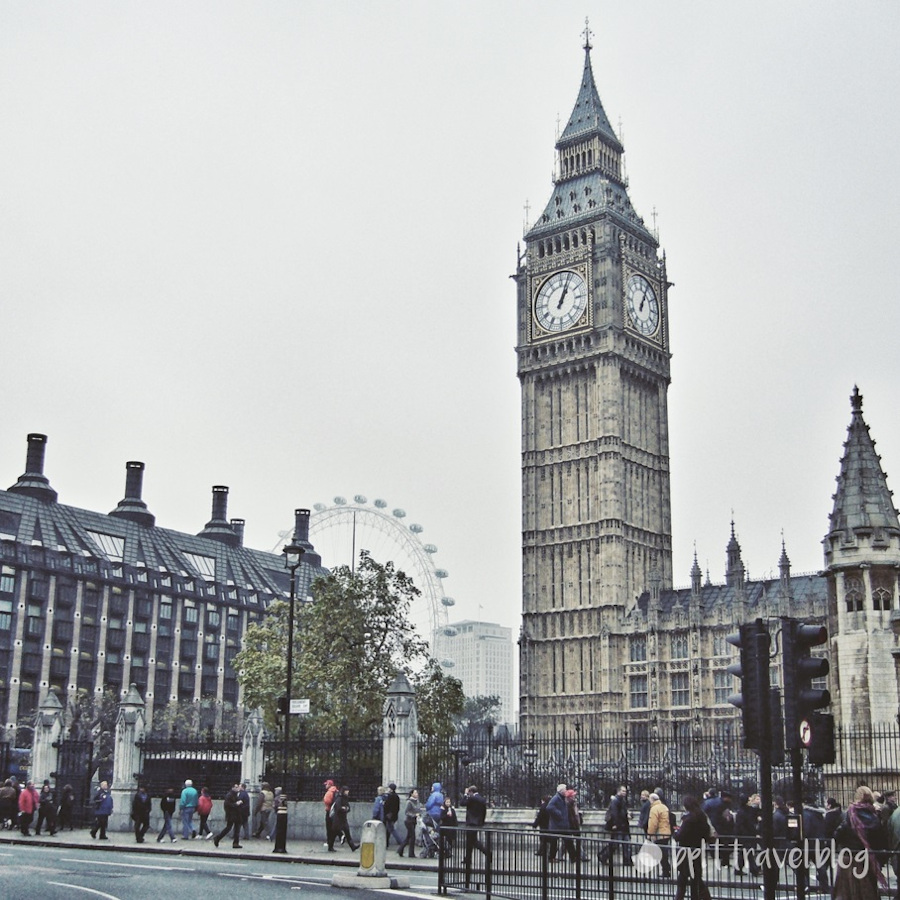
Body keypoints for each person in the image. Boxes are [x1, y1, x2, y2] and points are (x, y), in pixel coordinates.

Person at [833, 786, 888, 900]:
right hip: (866, 859)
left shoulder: (847, 814)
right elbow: (880, 841)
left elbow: (837, 835)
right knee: (867, 893)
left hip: (847, 859)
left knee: (846, 894)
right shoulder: (874, 816)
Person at [674, 795, 713, 900]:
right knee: (695, 879)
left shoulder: (688, 820)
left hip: (685, 851)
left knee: (682, 879)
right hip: (697, 850)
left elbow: (679, 836)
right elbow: (706, 834)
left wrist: (675, 832)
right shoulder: (702, 816)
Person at [463, 784, 490, 887]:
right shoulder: (482, 799)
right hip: (477, 823)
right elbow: (484, 812)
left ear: (470, 791)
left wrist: (465, 795)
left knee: (472, 841)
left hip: (470, 823)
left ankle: (485, 852)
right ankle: (467, 858)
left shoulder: (471, 798)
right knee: (471, 841)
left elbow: (462, 803)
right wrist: (481, 822)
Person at [733, 793, 761, 877]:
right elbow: (750, 823)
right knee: (748, 852)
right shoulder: (748, 811)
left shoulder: (740, 811)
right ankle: (754, 870)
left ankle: (738, 869)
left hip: (742, 834)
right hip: (748, 834)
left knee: (743, 852)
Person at [647, 792, 673, 877]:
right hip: (666, 832)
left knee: (661, 853)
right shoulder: (664, 807)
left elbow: (653, 823)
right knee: (664, 852)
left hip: (659, 833)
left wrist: (650, 834)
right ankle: (667, 868)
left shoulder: (654, 809)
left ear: (652, 800)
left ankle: (666, 870)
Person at [605, 785, 633, 865]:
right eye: (623, 791)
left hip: (624, 826)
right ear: (618, 791)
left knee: (626, 844)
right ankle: (603, 856)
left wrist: (628, 814)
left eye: (625, 791)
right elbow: (614, 813)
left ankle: (627, 860)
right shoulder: (616, 801)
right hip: (619, 826)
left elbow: (623, 812)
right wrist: (615, 824)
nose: (625, 793)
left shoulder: (622, 800)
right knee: (615, 844)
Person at [214, 783, 245, 849]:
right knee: (228, 828)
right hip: (232, 815)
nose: (238, 788)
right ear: (232, 788)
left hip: (237, 814)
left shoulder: (235, 795)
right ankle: (218, 838)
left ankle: (236, 843)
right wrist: (236, 804)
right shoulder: (229, 795)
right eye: (236, 787)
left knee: (237, 829)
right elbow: (227, 805)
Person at [329, 786, 359, 851]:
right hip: (337, 819)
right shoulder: (339, 798)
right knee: (334, 833)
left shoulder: (345, 798)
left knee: (347, 832)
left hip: (343, 819)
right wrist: (344, 809)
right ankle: (330, 846)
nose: (348, 792)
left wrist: (345, 809)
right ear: (343, 791)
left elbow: (348, 807)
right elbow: (338, 808)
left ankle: (352, 846)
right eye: (346, 791)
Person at [398, 788, 421, 857]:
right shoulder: (409, 802)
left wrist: (419, 814)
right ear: (412, 794)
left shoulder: (417, 801)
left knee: (408, 837)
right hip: (409, 821)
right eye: (415, 793)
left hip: (414, 821)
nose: (417, 794)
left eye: (417, 793)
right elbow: (407, 812)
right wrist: (414, 815)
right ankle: (411, 853)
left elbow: (418, 809)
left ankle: (400, 850)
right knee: (412, 837)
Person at [531, 794, 551, 859]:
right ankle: (543, 851)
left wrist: (535, 825)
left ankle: (542, 851)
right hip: (549, 825)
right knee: (547, 839)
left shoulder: (543, 807)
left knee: (543, 839)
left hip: (543, 825)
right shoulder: (550, 806)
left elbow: (539, 817)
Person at [383, 783, 401, 847]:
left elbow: (387, 806)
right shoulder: (396, 797)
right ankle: (386, 843)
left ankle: (401, 842)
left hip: (389, 816)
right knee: (388, 830)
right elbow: (397, 808)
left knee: (392, 830)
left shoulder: (390, 796)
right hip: (393, 816)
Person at [323, 779, 339, 850]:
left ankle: (330, 844)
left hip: (329, 811)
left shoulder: (330, 792)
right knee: (333, 828)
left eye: (326, 784)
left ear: (329, 785)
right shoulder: (336, 791)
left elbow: (327, 801)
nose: (325, 785)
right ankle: (331, 844)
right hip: (335, 812)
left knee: (329, 829)